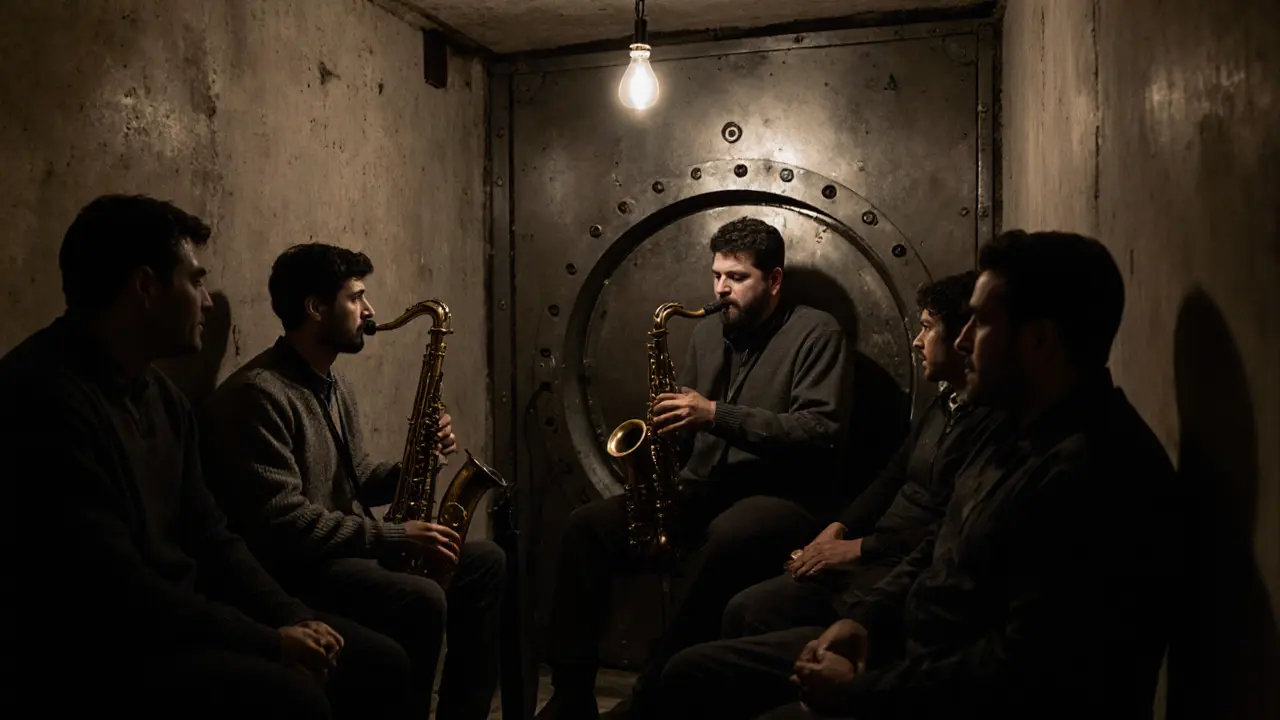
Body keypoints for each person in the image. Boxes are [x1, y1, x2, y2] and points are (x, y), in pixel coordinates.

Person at [665, 230, 1184, 719]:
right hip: (906, 646)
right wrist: (861, 621)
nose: (959, 344)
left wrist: (856, 692)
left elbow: (1018, 674)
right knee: (694, 670)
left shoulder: (1095, 477)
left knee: (703, 682)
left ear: (1040, 342)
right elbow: (937, 546)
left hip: (933, 684)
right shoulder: (1016, 431)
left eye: (978, 324)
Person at [0, 195, 412, 718]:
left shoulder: (161, 397)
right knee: (298, 698)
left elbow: (213, 536)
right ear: (146, 287)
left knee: (382, 662)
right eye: (195, 281)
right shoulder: (42, 398)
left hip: (182, 616)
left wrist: (292, 616)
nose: (209, 302)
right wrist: (271, 640)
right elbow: (118, 592)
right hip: (103, 649)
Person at [537, 217, 855, 720]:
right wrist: (670, 436)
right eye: (716, 275)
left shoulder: (817, 332)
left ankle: (651, 697)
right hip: (703, 487)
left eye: (737, 277)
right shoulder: (708, 334)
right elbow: (689, 425)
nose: (721, 290)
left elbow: (818, 431)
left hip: (781, 496)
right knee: (586, 528)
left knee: (724, 541)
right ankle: (571, 692)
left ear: (773, 280)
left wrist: (713, 414)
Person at [201, 242, 505, 720]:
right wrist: (397, 536)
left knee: (485, 560)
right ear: (316, 308)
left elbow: (357, 477)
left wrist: (420, 462)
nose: (371, 311)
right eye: (356, 298)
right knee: (422, 596)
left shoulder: (334, 384)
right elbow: (283, 522)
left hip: (342, 551)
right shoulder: (258, 394)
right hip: (301, 566)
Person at [675, 270, 991, 682]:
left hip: (892, 568)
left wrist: (860, 549)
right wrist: (838, 528)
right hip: (874, 552)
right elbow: (893, 476)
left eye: (928, 328)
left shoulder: (989, 423)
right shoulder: (945, 402)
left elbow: (944, 528)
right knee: (742, 608)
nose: (720, 287)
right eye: (714, 274)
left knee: (735, 621)